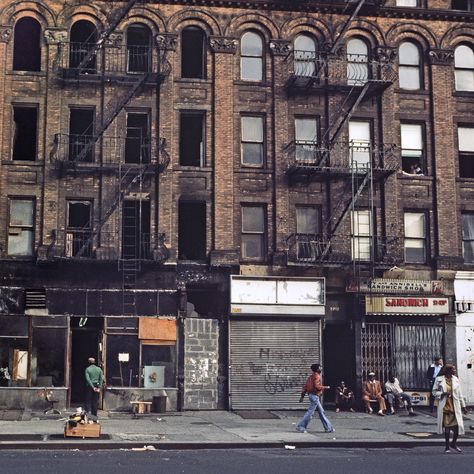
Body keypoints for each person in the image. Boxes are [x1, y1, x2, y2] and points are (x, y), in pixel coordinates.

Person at [432, 364, 468, 453]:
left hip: (454, 406)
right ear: (448, 370)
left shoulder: (456, 379)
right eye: (453, 369)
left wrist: (464, 406)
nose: (455, 370)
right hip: (445, 406)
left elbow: (460, 394)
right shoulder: (439, 379)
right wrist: (442, 394)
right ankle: (447, 447)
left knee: (457, 427)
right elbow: (433, 392)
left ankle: (453, 444)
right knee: (447, 428)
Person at [296, 363, 334, 433]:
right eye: (320, 367)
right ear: (317, 369)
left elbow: (305, 387)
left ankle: (328, 428)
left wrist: (302, 397)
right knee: (310, 413)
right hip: (314, 396)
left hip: (312, 396)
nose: (321, 368)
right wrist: (325, 387)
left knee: (321, 412)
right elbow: (317, 386)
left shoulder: (310, 377)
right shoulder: (317, 376)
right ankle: (301, 427)